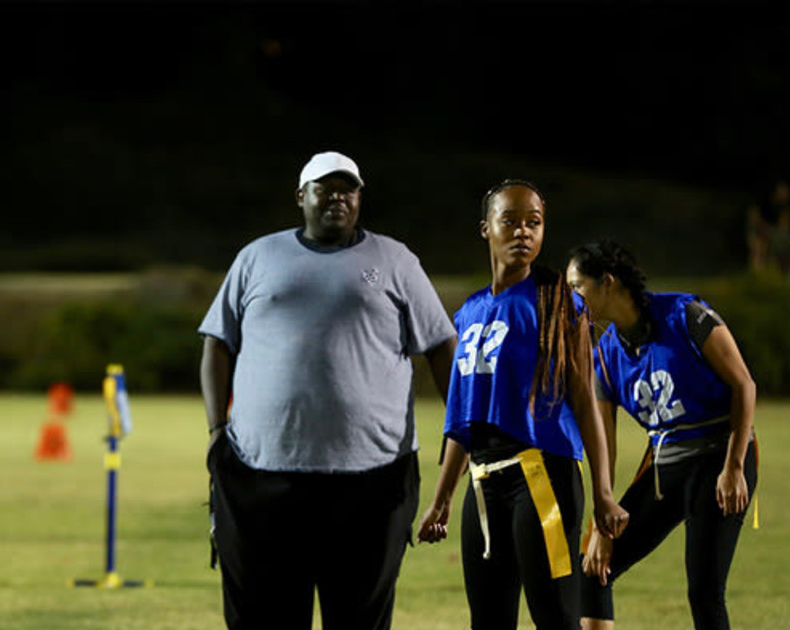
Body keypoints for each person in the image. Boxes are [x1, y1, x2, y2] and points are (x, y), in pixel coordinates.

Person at [198, 151, 457, 629]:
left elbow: (442, 346)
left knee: (358, 618)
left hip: (372, 479)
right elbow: (217, 343)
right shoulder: (257, 257)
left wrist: (458, 427)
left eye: (349, 189)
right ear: (301, 197)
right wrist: (217, 431)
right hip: (261, 475)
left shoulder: (394, 260)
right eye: (326, 189)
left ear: (360, 198)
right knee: (263, 616)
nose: (338, 197)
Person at [416, 179, 628, 630]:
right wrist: (441, 500)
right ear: (485, 228)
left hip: (541, 477)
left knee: (555, 617)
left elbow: (585, 400)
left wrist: (604, 491)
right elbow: (463, 420)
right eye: (509, 221)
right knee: (488, 620)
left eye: (533, 222)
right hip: (482, 484)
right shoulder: (469, 311)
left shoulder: (558, 303)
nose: (523, 232)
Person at [567, 240, 757, 630]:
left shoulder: (684, 314)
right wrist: (603, 522)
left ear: (607, 282)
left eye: (577, 287)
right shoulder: (603, 354)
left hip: (719, 459)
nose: (572, 300)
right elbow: (605, 448)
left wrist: (735, 466)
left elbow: (744, 385)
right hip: (664, 468)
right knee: (592, 566)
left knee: (704, 591)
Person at [745, 178, 790, 275]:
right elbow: (755, 222)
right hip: (763, 234)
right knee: (759, 244)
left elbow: (784, 224)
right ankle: (758, 274)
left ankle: (784, 273)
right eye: (781, 191)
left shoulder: (784, 206)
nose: (784, 194)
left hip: (777, 235)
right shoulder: (762, 203)